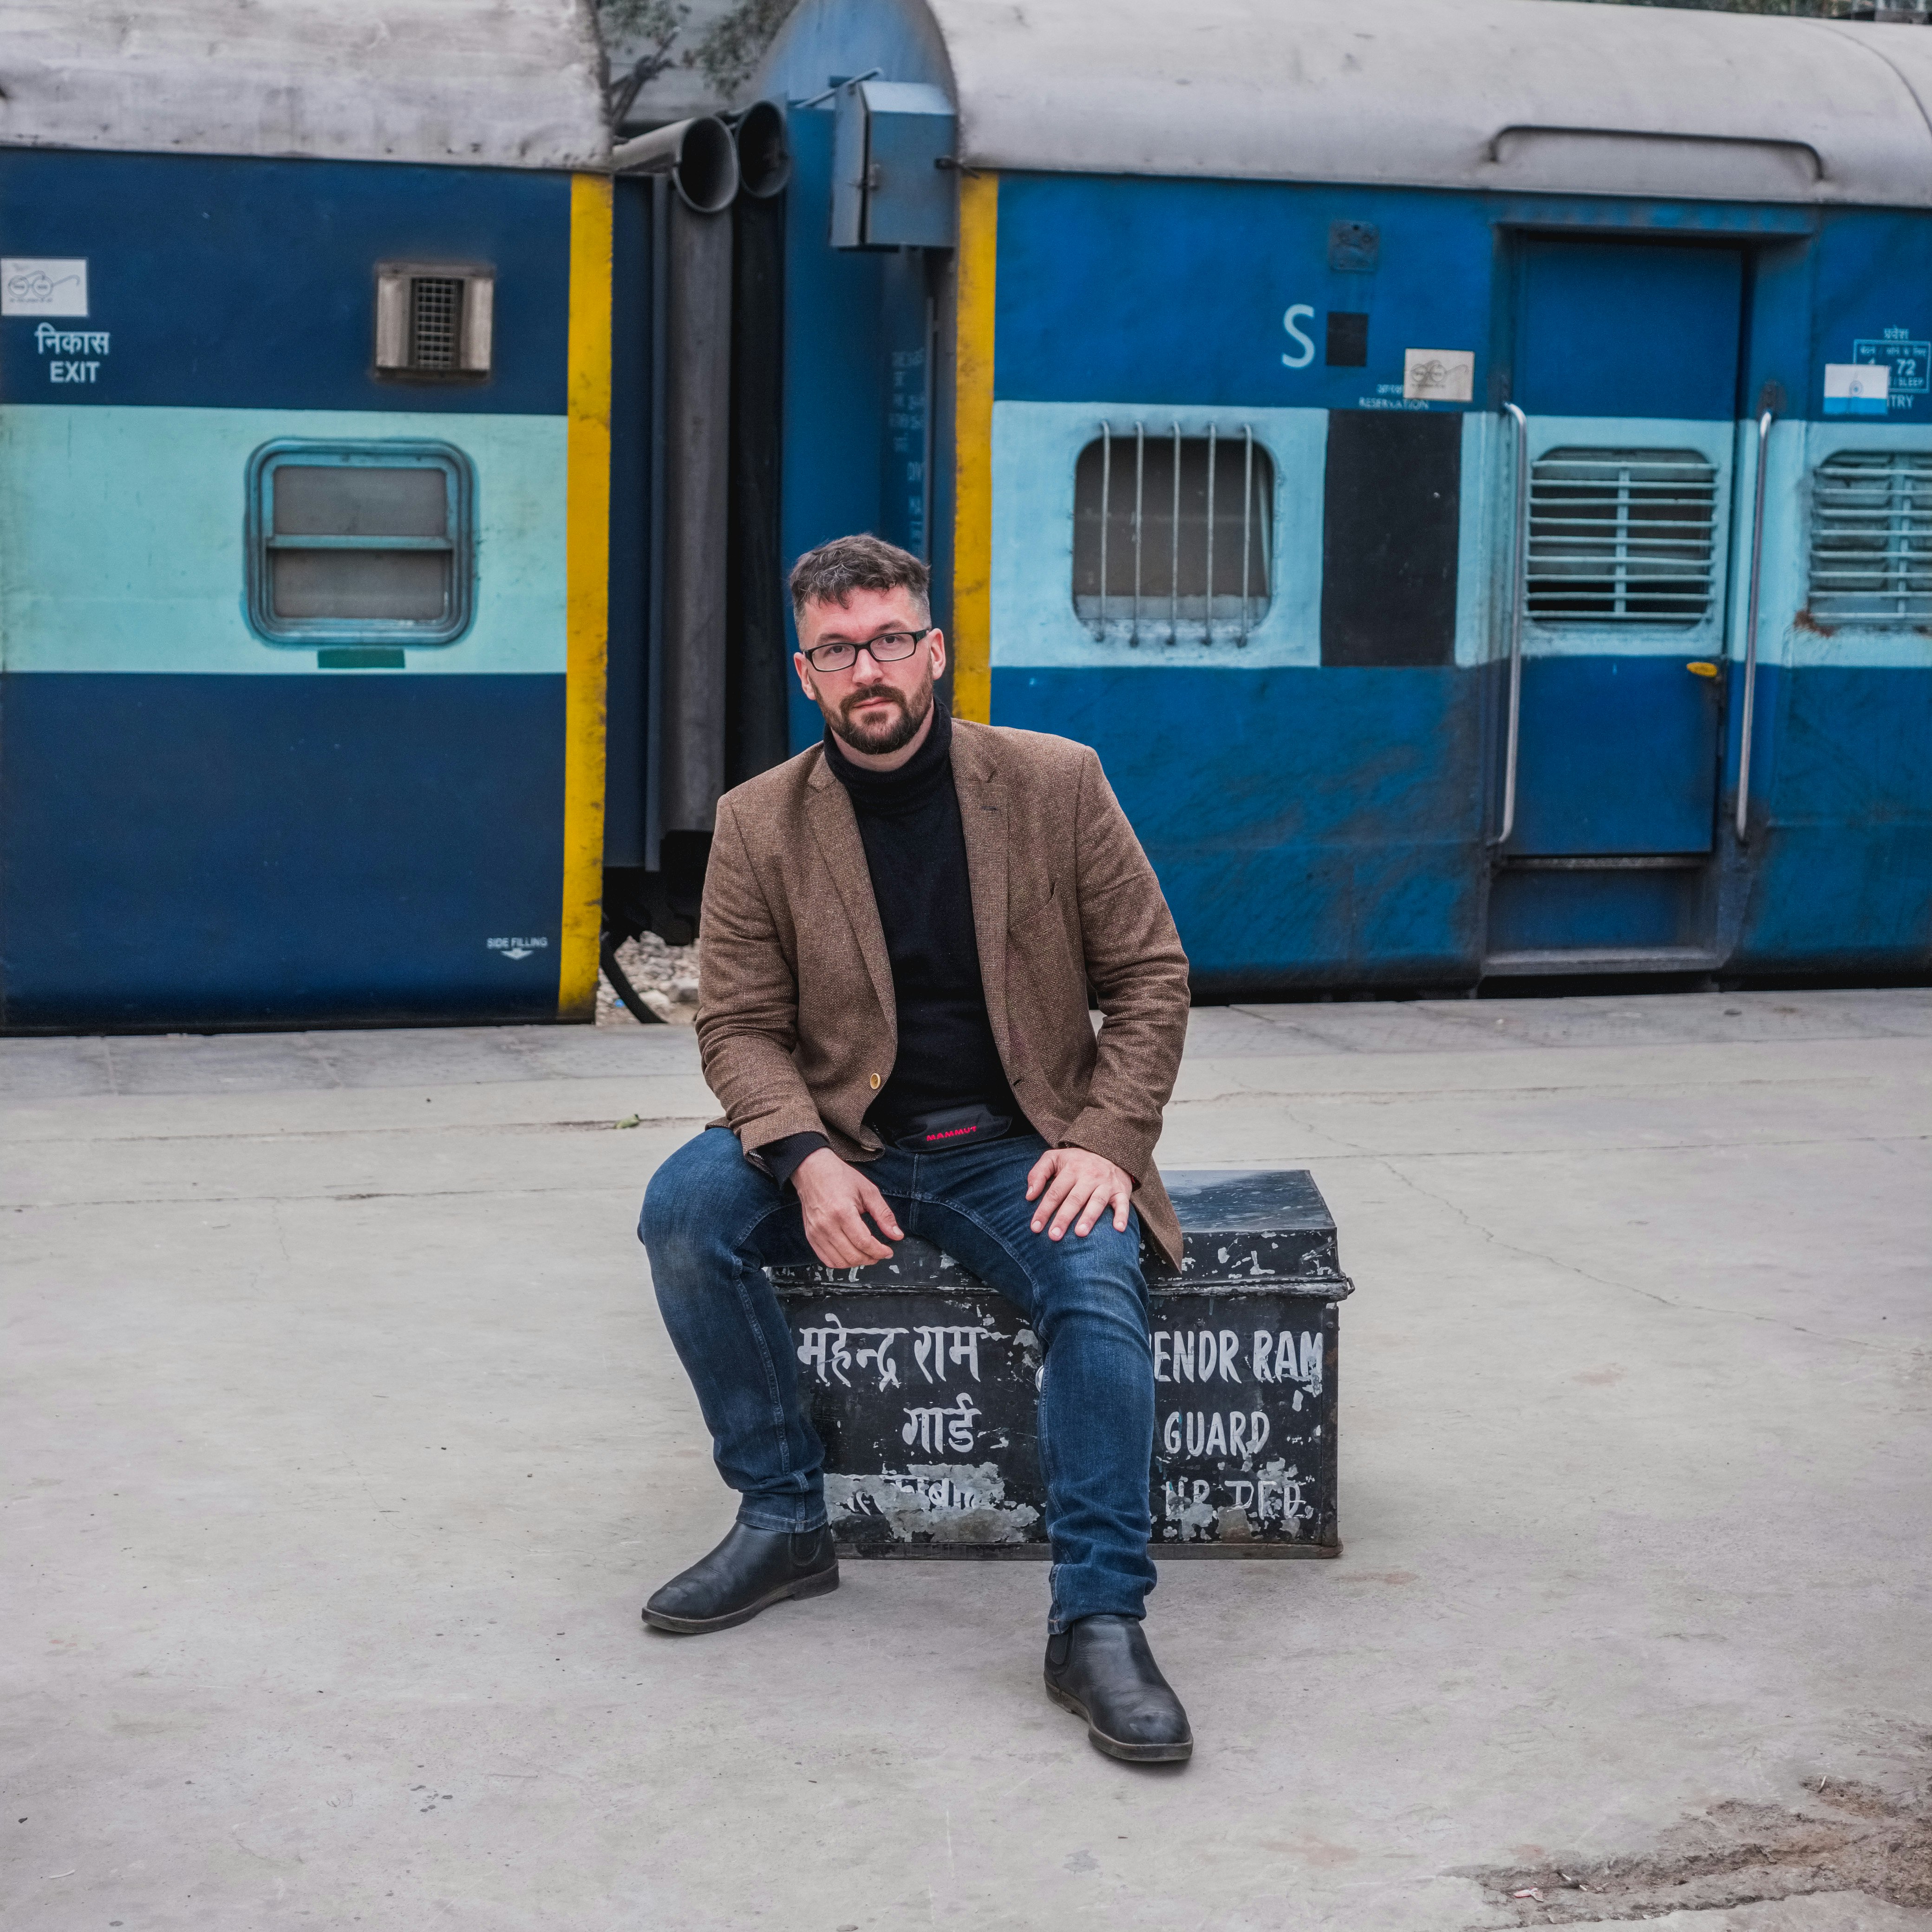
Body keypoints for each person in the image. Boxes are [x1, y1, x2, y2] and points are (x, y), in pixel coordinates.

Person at [637, 534, 1194, 1763]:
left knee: (1100, 1293)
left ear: (934, 651)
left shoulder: (1054, 782)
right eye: (839, 651)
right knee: (682, 1215)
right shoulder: (760, 821)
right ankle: (784, 1517)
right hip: (850, 1136)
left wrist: (1106, 1139)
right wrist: (801, 1157)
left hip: (1020, 1141)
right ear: (807, 674)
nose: (868, 669)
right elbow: (736, 1020)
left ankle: (1097, 1620)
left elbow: (1151, 978)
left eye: (891, 640)